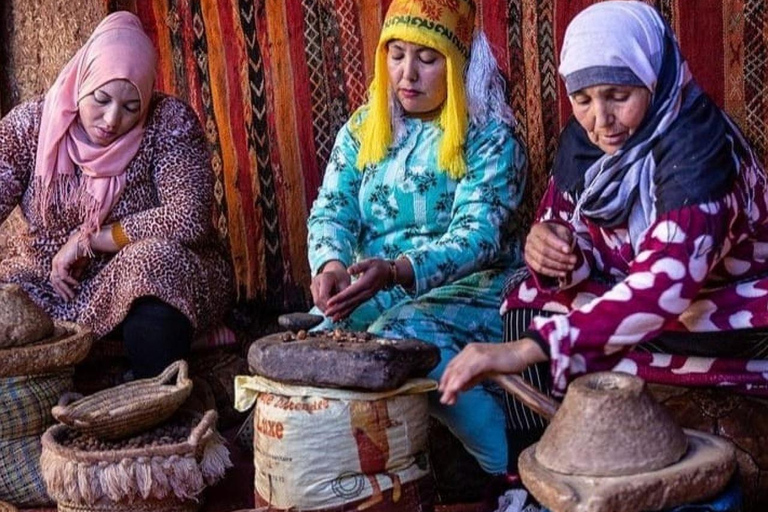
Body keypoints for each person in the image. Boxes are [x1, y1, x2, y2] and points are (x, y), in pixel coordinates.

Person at [440, 0, 768, 416]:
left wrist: (530, 349)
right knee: (524, 295)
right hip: (642, 315)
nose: (601, 119)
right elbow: (570, 232)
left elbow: (666, 283)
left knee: (540, 339)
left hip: (729, 320)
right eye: (582, 99)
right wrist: (553, 251)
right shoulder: (585, 144)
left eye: (618, 96)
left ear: (654, 79)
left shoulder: (701, 149)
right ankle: (527, 468)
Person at [306, 0, 527, 476]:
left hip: (477, 288)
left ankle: (507, 468)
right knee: (323, 340)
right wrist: (330, 265)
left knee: (399, 337)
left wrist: (398, 270)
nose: (407, 74)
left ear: (458, 62)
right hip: (376, 282)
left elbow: (479, 236)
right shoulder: (366, 127)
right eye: (397, 54)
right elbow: (331, 209)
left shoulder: (490, 135)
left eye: (427, 59)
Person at [0, 12, 233, 378]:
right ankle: (85, 360)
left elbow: (188, 216)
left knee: (154, 264)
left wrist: (91, 240)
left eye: (130, 107)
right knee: (11, 302)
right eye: (101, 99)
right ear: (82, 81)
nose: (111, 120)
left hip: (134, 273)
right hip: (50, 281)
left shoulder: (168, 122)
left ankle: (146, 386)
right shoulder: (29, 127)